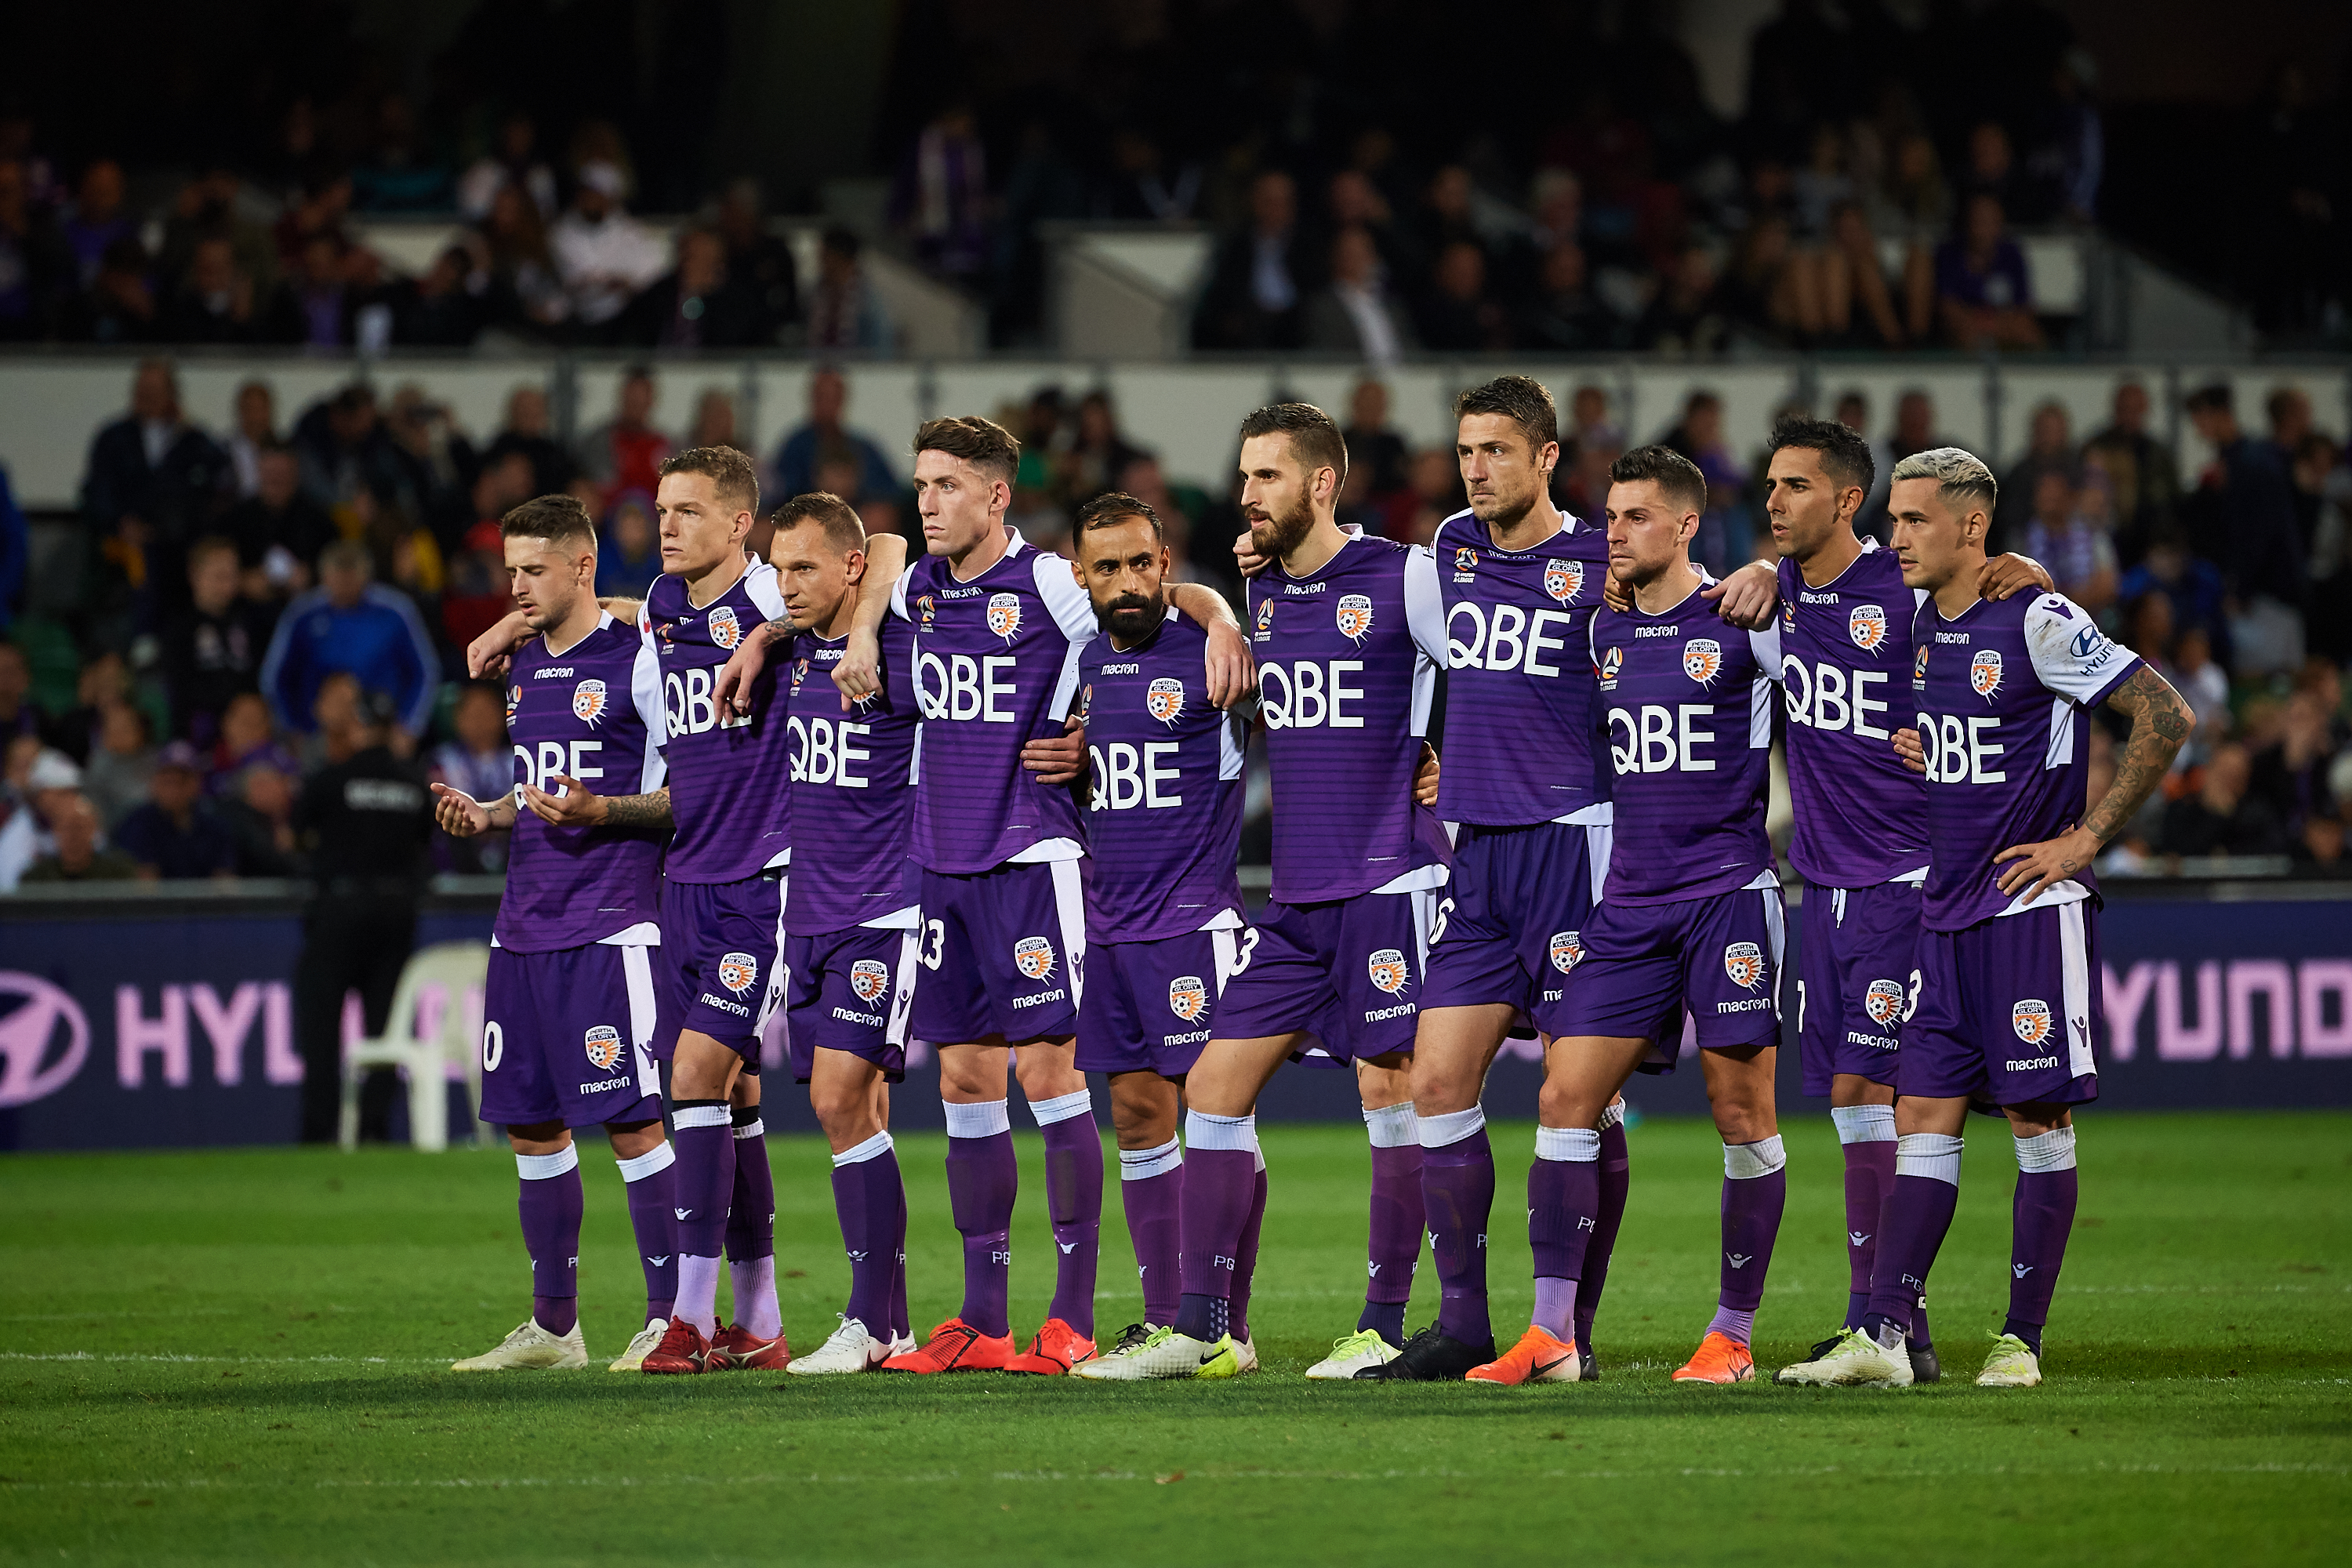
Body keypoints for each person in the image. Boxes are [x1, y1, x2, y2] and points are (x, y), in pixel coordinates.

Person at [822, 416, 1249, 1376]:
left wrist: (1219, 616)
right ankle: (981, 1318)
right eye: (923, 484)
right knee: (965, 1083)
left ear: (997, 496)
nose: (928, 502)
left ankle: (1070, 1318)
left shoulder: (1050, 583)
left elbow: (1147, 594)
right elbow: (877, 549)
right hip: (939, 862)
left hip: (1032, 860)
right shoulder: (920, 585)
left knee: (1050, 1078)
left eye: (947, 486)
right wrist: (856, 622)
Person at [1780, 447, 2191, 1390]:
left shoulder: (2040, 617)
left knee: (2036, 1118)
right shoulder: (1925, 622)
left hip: (2028, 912)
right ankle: (1883, 1333)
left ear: (1972, 527)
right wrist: (1946, 753)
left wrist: (2084, 839)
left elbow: (2164, 714)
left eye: (1914, 520)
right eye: (1892, 520)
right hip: (1945, 908)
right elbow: (1990, 729)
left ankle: (2021, 1336)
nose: (1895, 538)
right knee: (1919, 1112)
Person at [1387, 379, 1706, 1386]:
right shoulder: (1451, 546)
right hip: (1478, 854)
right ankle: (1464, 1322)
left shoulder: (1600, 554)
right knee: (1436, 1080)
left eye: (1496, 451)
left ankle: (1566, 1326)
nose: (1476, 468)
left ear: (1545, 457)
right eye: (1466, 450)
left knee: (1582, 1103)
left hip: (1580, 846)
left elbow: (1687, 608)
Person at [470, 448, 804, 1376]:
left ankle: (682, 1318)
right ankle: (758, 1318)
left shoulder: (783, 590)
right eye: (662, 508)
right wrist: (516, 617)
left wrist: (769, 636)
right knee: (728, 1096)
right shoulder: (660, 602)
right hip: (688, 883)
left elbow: (875, 560)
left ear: (742, 525)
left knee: (691, 1080)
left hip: (762, 878)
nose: (665, 524)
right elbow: (610, 609)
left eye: (689, 510)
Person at [1148, 402, 1449, 1382]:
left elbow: (1496, 675)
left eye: (1267, 475)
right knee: (1213, 1089)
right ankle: (1206, 1326)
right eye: (1243, 476)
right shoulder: (1259, 585)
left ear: (1323, 483)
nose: (1245, 494)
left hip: (1389, 879)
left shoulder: (1404, 574)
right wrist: (1223, 613)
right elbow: (1168, 591)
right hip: (1297, 900)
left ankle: (1385, 1322)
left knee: (1388, 1091)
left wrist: (1459, 766)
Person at [1752, 418, 2048, 1383]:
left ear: (1847, 501)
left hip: (1909, 880)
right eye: (1770, 486)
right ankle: (1894, 1326)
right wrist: (1756, 572)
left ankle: (1876, 1324)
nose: (1774, 503)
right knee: (1848, 1096)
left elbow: (1994, 614)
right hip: (1824, 884)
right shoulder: (1784, 590)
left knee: (1889, 1093)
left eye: (1795, 487)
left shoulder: (1905, 584)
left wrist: (2026, 568)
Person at [1528, 445, 1788, 1388]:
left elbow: (1869, 627)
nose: (1616, 531)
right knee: (1564, 1095)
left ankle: (1733, 1333)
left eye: (1637, 516)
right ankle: (1552, 1332)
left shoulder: (1743, 620)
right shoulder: (1605, 630)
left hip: (1727, 895)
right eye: (1610, 516)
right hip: (1630, 903)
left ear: (1686, 525)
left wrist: (1774, 568)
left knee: (1740, 1111)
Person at [437, 494, 682, 1377]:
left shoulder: (642, 663)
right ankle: (554, 1326)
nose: (517, 587)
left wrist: (604, 808)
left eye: (533, 569)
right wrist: (491, 812)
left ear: (582, 567)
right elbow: (536, 790)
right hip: (522, 929)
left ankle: (668, 1321)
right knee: (532, 1127)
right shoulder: (526, 667)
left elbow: (693, 796)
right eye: (510, 572)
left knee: (632, 1122)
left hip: (610, 927)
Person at [1055, 493, 1265, 1378]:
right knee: (1140, 1119)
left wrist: (1216, 609)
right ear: (1082, 578)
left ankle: (1227, 1324)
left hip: (1193, 922)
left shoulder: (1213, 651)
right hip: (1110, 927)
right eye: (1108, 568)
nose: (1129, 582)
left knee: (1217, 1115)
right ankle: (1160, 1320)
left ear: (1166, 561)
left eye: (1142, 563)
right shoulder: (1079, 666)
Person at [713, 493, 920, 1374]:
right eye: (779, 566)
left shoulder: (902, 644)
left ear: (853, 568)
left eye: (805, 567)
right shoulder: (791, 652)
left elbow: (900, 543)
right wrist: (760, 637)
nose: (785, 584)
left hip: (887, 906)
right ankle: (892, 1324)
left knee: (839, 1096)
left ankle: (867, 1319)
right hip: (812, 912)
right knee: (855, 1109)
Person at [289, 688, 435, 1143]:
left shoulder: (331, 779)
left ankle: (321, 1132)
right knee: (386, 1026)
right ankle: (374, 1129)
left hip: (339, 909)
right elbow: (429, 844)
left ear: (354, 728)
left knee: (320, 1026)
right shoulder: (414, 784)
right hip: (395, 912)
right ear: (392, 730)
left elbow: (297, 832)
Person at [259, 539, 441, 740]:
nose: (344, 585)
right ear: (325, 576)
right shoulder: (302, 614)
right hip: (317, 736)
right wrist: (291, 729)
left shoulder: (396, 611)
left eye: (351, 578)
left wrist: (409, 728)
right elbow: (274, 678)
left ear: (366, 576)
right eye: (338, 577)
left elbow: (425, 671)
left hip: (381, 733)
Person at [772, 368, 898, 507]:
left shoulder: (864, 448)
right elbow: (779, 494)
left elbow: (890, 493)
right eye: (822, 397)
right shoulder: (795, 448)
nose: (827, 404)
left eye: (833, 397)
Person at [114, 741, 238, 880]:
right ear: (154, 782)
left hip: (204, 900)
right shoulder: (137, 823)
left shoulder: (215, 826)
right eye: (167, 781)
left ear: (196, 783)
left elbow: (224, 881)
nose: (173, 790)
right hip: (159, 901)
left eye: (182, 781)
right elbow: (145, 886)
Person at [19, 790, 139, 883]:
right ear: (55, 830)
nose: (73, 836)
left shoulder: (118, 876)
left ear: (92, 830)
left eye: (79, 827)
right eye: (66, 827)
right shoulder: (36, 880)